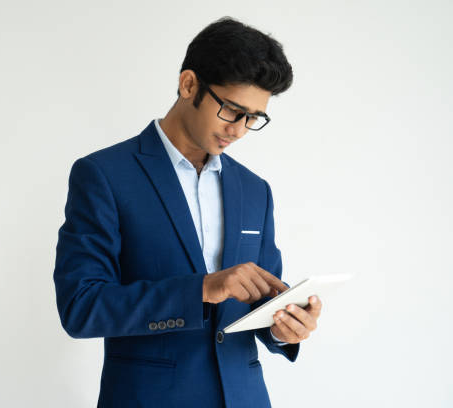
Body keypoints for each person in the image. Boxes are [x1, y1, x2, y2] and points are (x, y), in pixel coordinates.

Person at [54, 16, 322, 408]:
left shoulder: (255, 190)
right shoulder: (104, 175)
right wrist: (203, 289)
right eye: (231, 110)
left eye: (253, 118)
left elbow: (263, 296)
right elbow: (82, 307)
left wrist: (285, 328)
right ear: (189, 84)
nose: (239, 130)